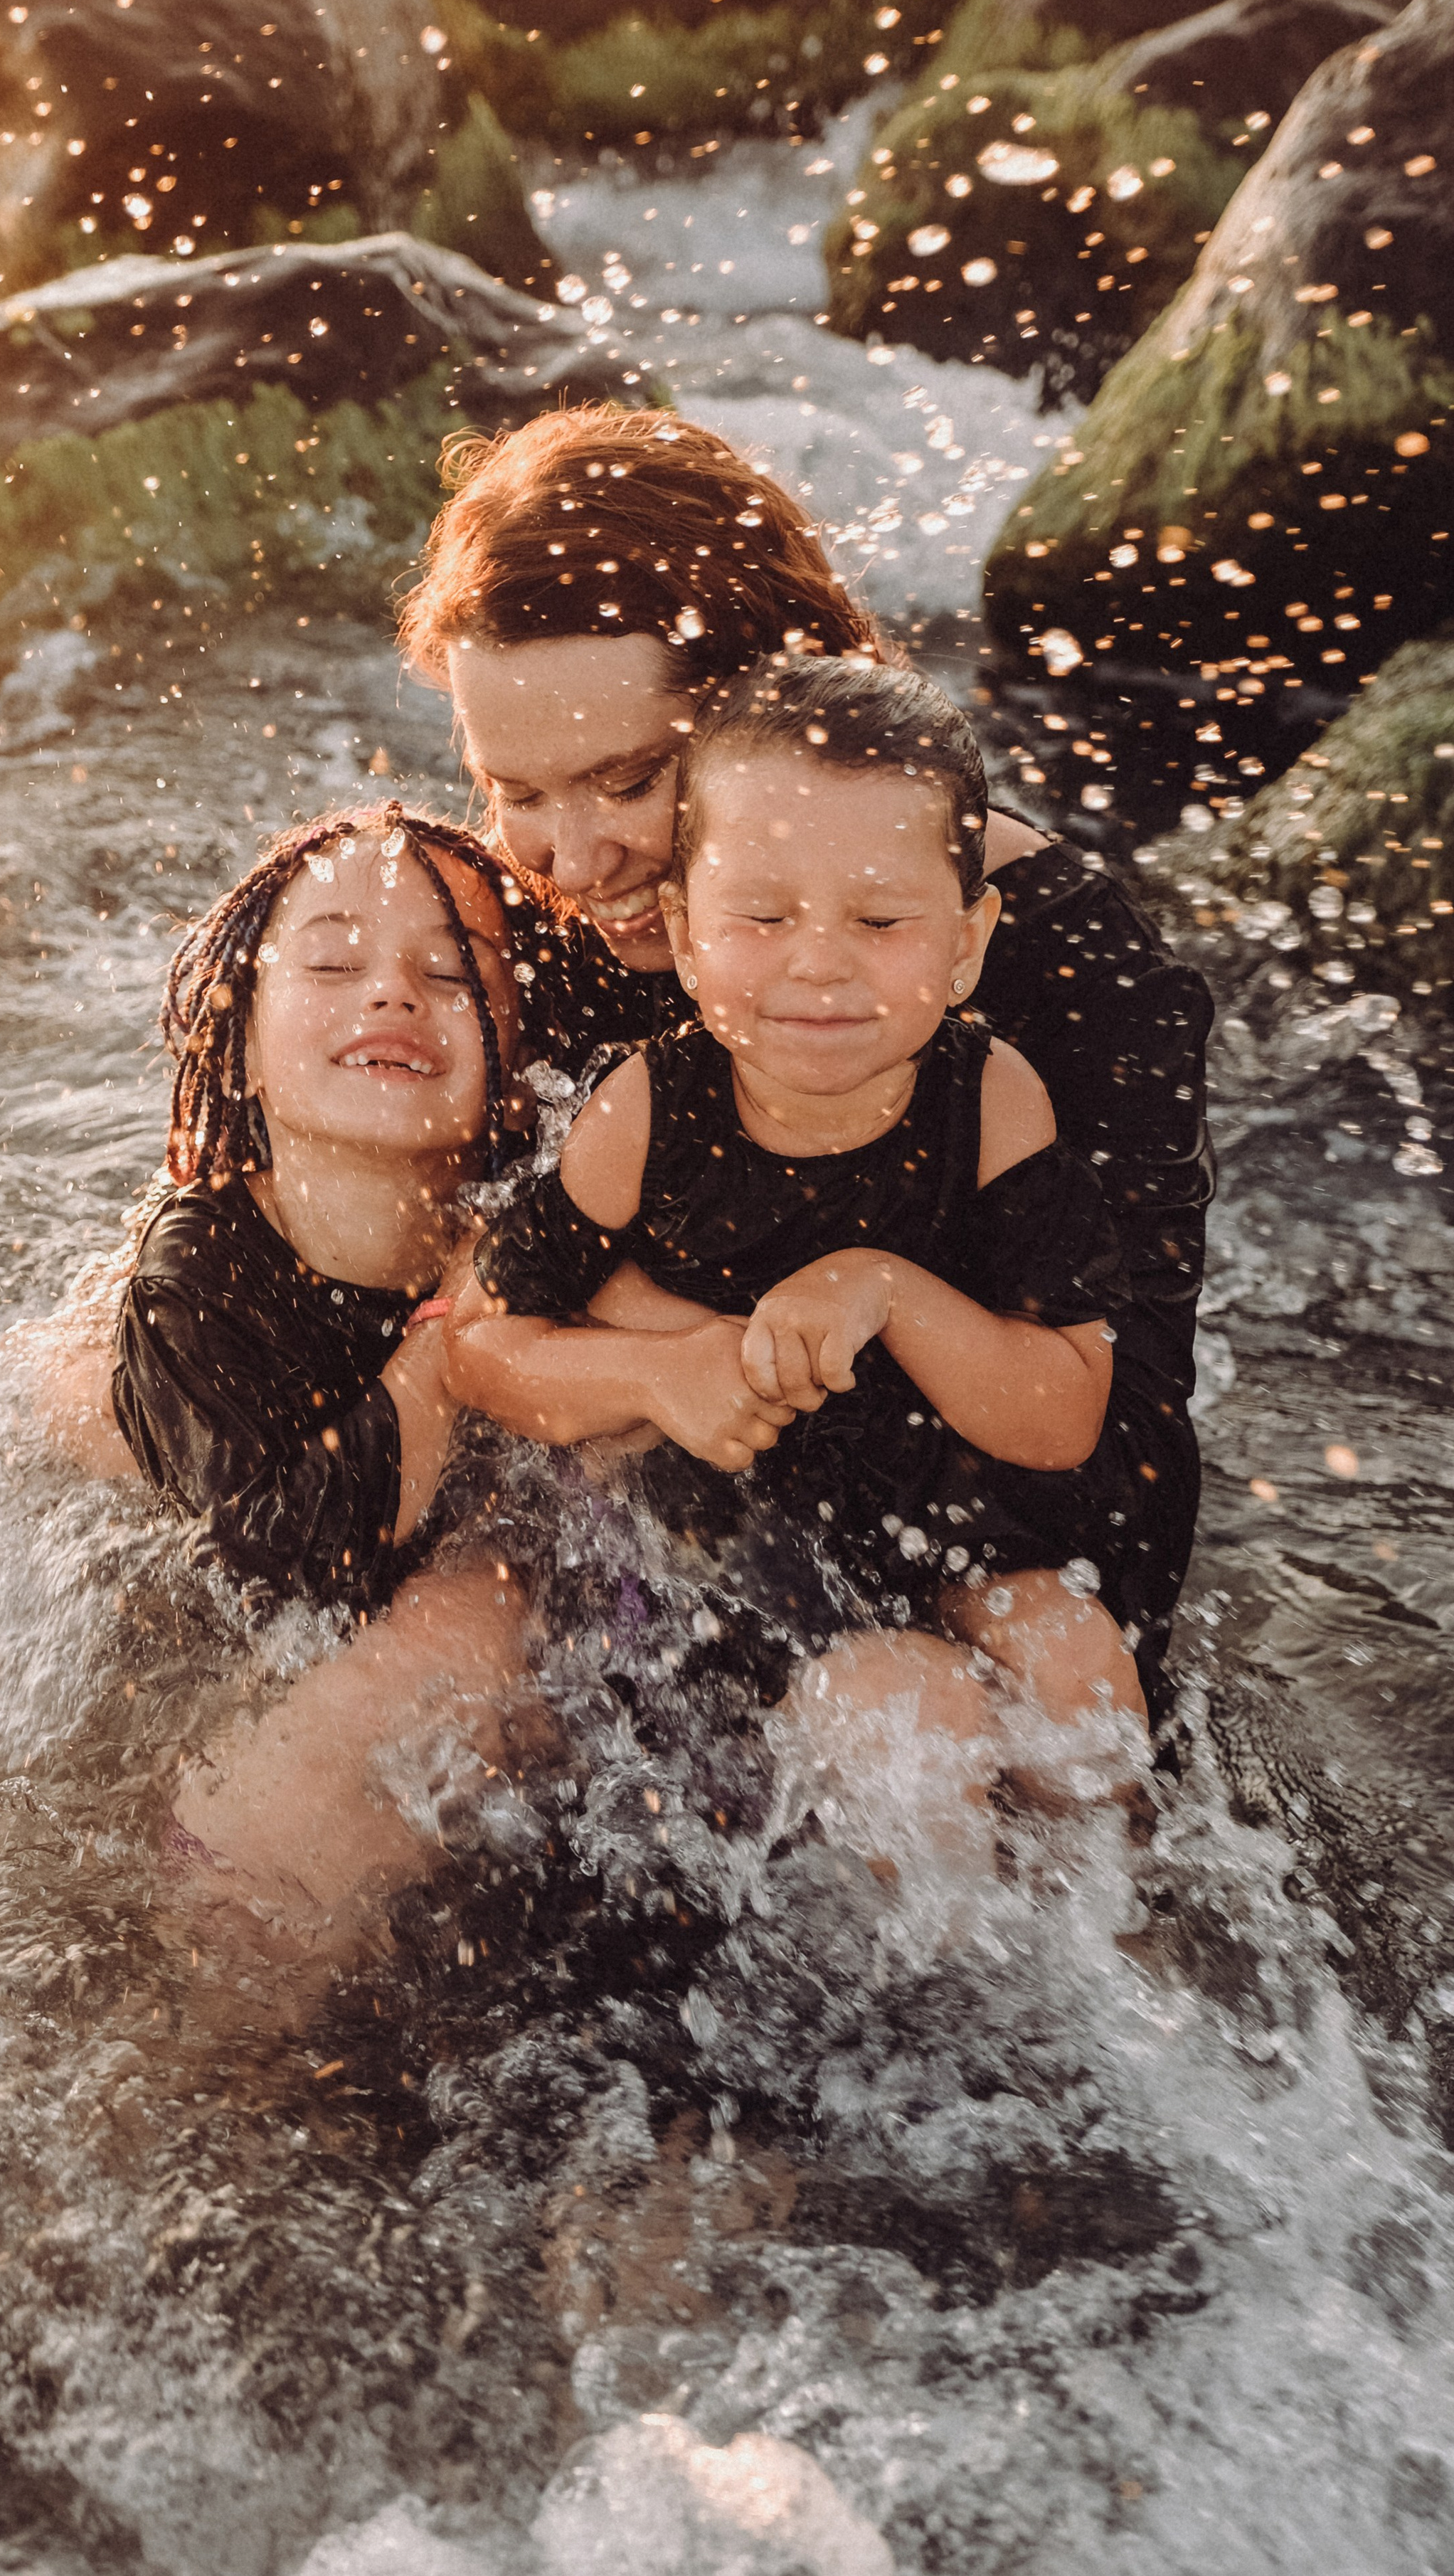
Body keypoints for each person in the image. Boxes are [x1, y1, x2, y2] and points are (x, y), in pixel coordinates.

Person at [400, 406, 1214, 1725]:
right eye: (518, 791)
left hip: (967, 1595)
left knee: (921, 1726)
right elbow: (451, 1296)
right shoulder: (539, 915)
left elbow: (1120, 1460)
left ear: (789, 705)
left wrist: (684, 1322)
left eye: (624, 782)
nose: (569, 857)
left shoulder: (1073, 976)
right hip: (632, 1553)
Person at [448, 659, 1145, 1885]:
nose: (820, 966)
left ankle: (1120, 1954)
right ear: (684, 932)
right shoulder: (645, 1114)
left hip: (946, 1515)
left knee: (1080, 1664)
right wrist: (665, 1374)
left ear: (969, 941)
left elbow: (1063, 1417)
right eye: (762, 920)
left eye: (880, 925)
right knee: (908, 1711)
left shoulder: (992, 1100)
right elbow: (487, 1344)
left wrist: (886, 1285)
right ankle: (943, 2007)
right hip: (740, 1551)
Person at [110, 802, 541, 1961]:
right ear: (240, 1033)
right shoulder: (195, 1276)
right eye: (335, 961)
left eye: (453, 973)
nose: (392, 994)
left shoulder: (560, 1211)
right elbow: (296, 1554)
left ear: (522, 1057)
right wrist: (450, 1335)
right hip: (258, 1629)